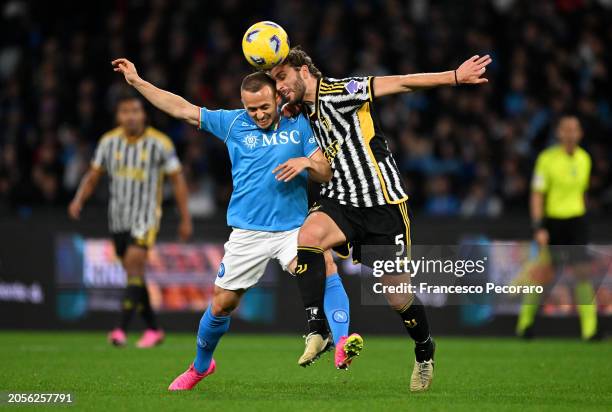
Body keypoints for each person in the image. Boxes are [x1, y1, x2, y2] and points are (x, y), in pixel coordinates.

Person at [111, 58, 353, 390]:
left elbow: (325, 171)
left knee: (324, 265)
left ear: (276, 97)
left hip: (293, 229)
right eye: (252, 109)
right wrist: (138, 82)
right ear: (243, 105)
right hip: (248, 233)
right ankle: (200, 367)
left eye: (265, 107)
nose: (259, 114)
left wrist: (305, 163)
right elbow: (182, 109)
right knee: (222, 303)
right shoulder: (232, 123)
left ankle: (341, 344)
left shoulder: (299, 125)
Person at [270, 47, 491, 391]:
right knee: (308, 237)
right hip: (342, 200)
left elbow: (401, 83)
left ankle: (424, 349)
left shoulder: (342, 91)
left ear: (303, 70)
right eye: (274, 81)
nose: (279, 87)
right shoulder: (304, 110)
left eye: (282, 77)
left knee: (397, 297)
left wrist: (454, 77)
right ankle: (318, 330)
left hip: (382, 206)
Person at [68, 95, 193, 348]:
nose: (131, 116)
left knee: (135, 266)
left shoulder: (160, 143)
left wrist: (185, 217)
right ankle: (154, 329)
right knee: (134, 274)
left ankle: (120, 329)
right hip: (118, 219)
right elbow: (93, 175)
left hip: (145, 218)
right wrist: (79, 199)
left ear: (143, 115)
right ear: (118, 116)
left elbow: (177, 180)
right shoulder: (108, 142)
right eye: (125, 111)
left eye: (135, 111)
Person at [517, 114, 597, 340]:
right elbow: (537, 195)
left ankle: (589, 330)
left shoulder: (585, 159)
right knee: (543, 274)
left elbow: (581, 193)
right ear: (559, 133)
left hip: (576, 221)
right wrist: (539, 226)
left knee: (583, 273)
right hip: (552, 222)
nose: (571, 133)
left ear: (580, 133)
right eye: (566, 129)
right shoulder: (547, 159)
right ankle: (525, 323)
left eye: (575, 129)